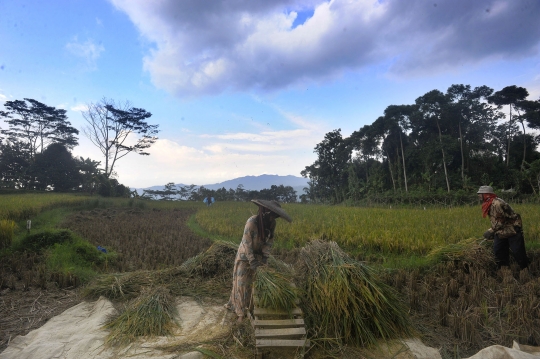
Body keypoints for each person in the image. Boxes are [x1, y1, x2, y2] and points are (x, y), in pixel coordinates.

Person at [224, 199, 292, 322]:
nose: (273, 218)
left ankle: (249, 308)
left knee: (253, 283)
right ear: (265, 212)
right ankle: (240, 313)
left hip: (259, 256)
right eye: (272, 215)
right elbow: (246, 243)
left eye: (275, 216)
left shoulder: (272, 224)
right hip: (245, 256)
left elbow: (269, 241)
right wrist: (252, 261)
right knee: (242, 284)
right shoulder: (252, 222)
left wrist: (265, 257)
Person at [478, 186, 528, 270]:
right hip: (501, 231)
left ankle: (525, 270)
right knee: (499, 252)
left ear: (486, 195)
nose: (479, 196)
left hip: (512, 229)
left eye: (480, 194)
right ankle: (504, 271)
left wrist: (491, 230)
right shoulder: (489, 203)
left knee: (517, 252)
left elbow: (501, 221)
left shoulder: (496, 203)